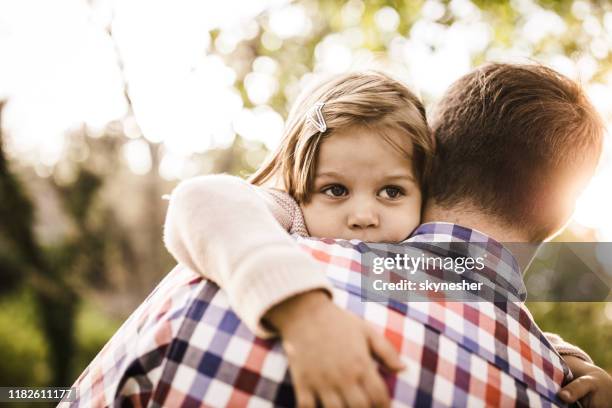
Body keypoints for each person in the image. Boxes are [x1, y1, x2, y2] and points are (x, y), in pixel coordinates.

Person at [64, 65, 611, 407]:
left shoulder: (200, 294)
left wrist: (567, 358)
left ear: (429, 172)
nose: (363, 215)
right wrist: (304, 312)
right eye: (335, 190)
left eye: (391, 192)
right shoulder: (257, 243)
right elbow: (203, 199)